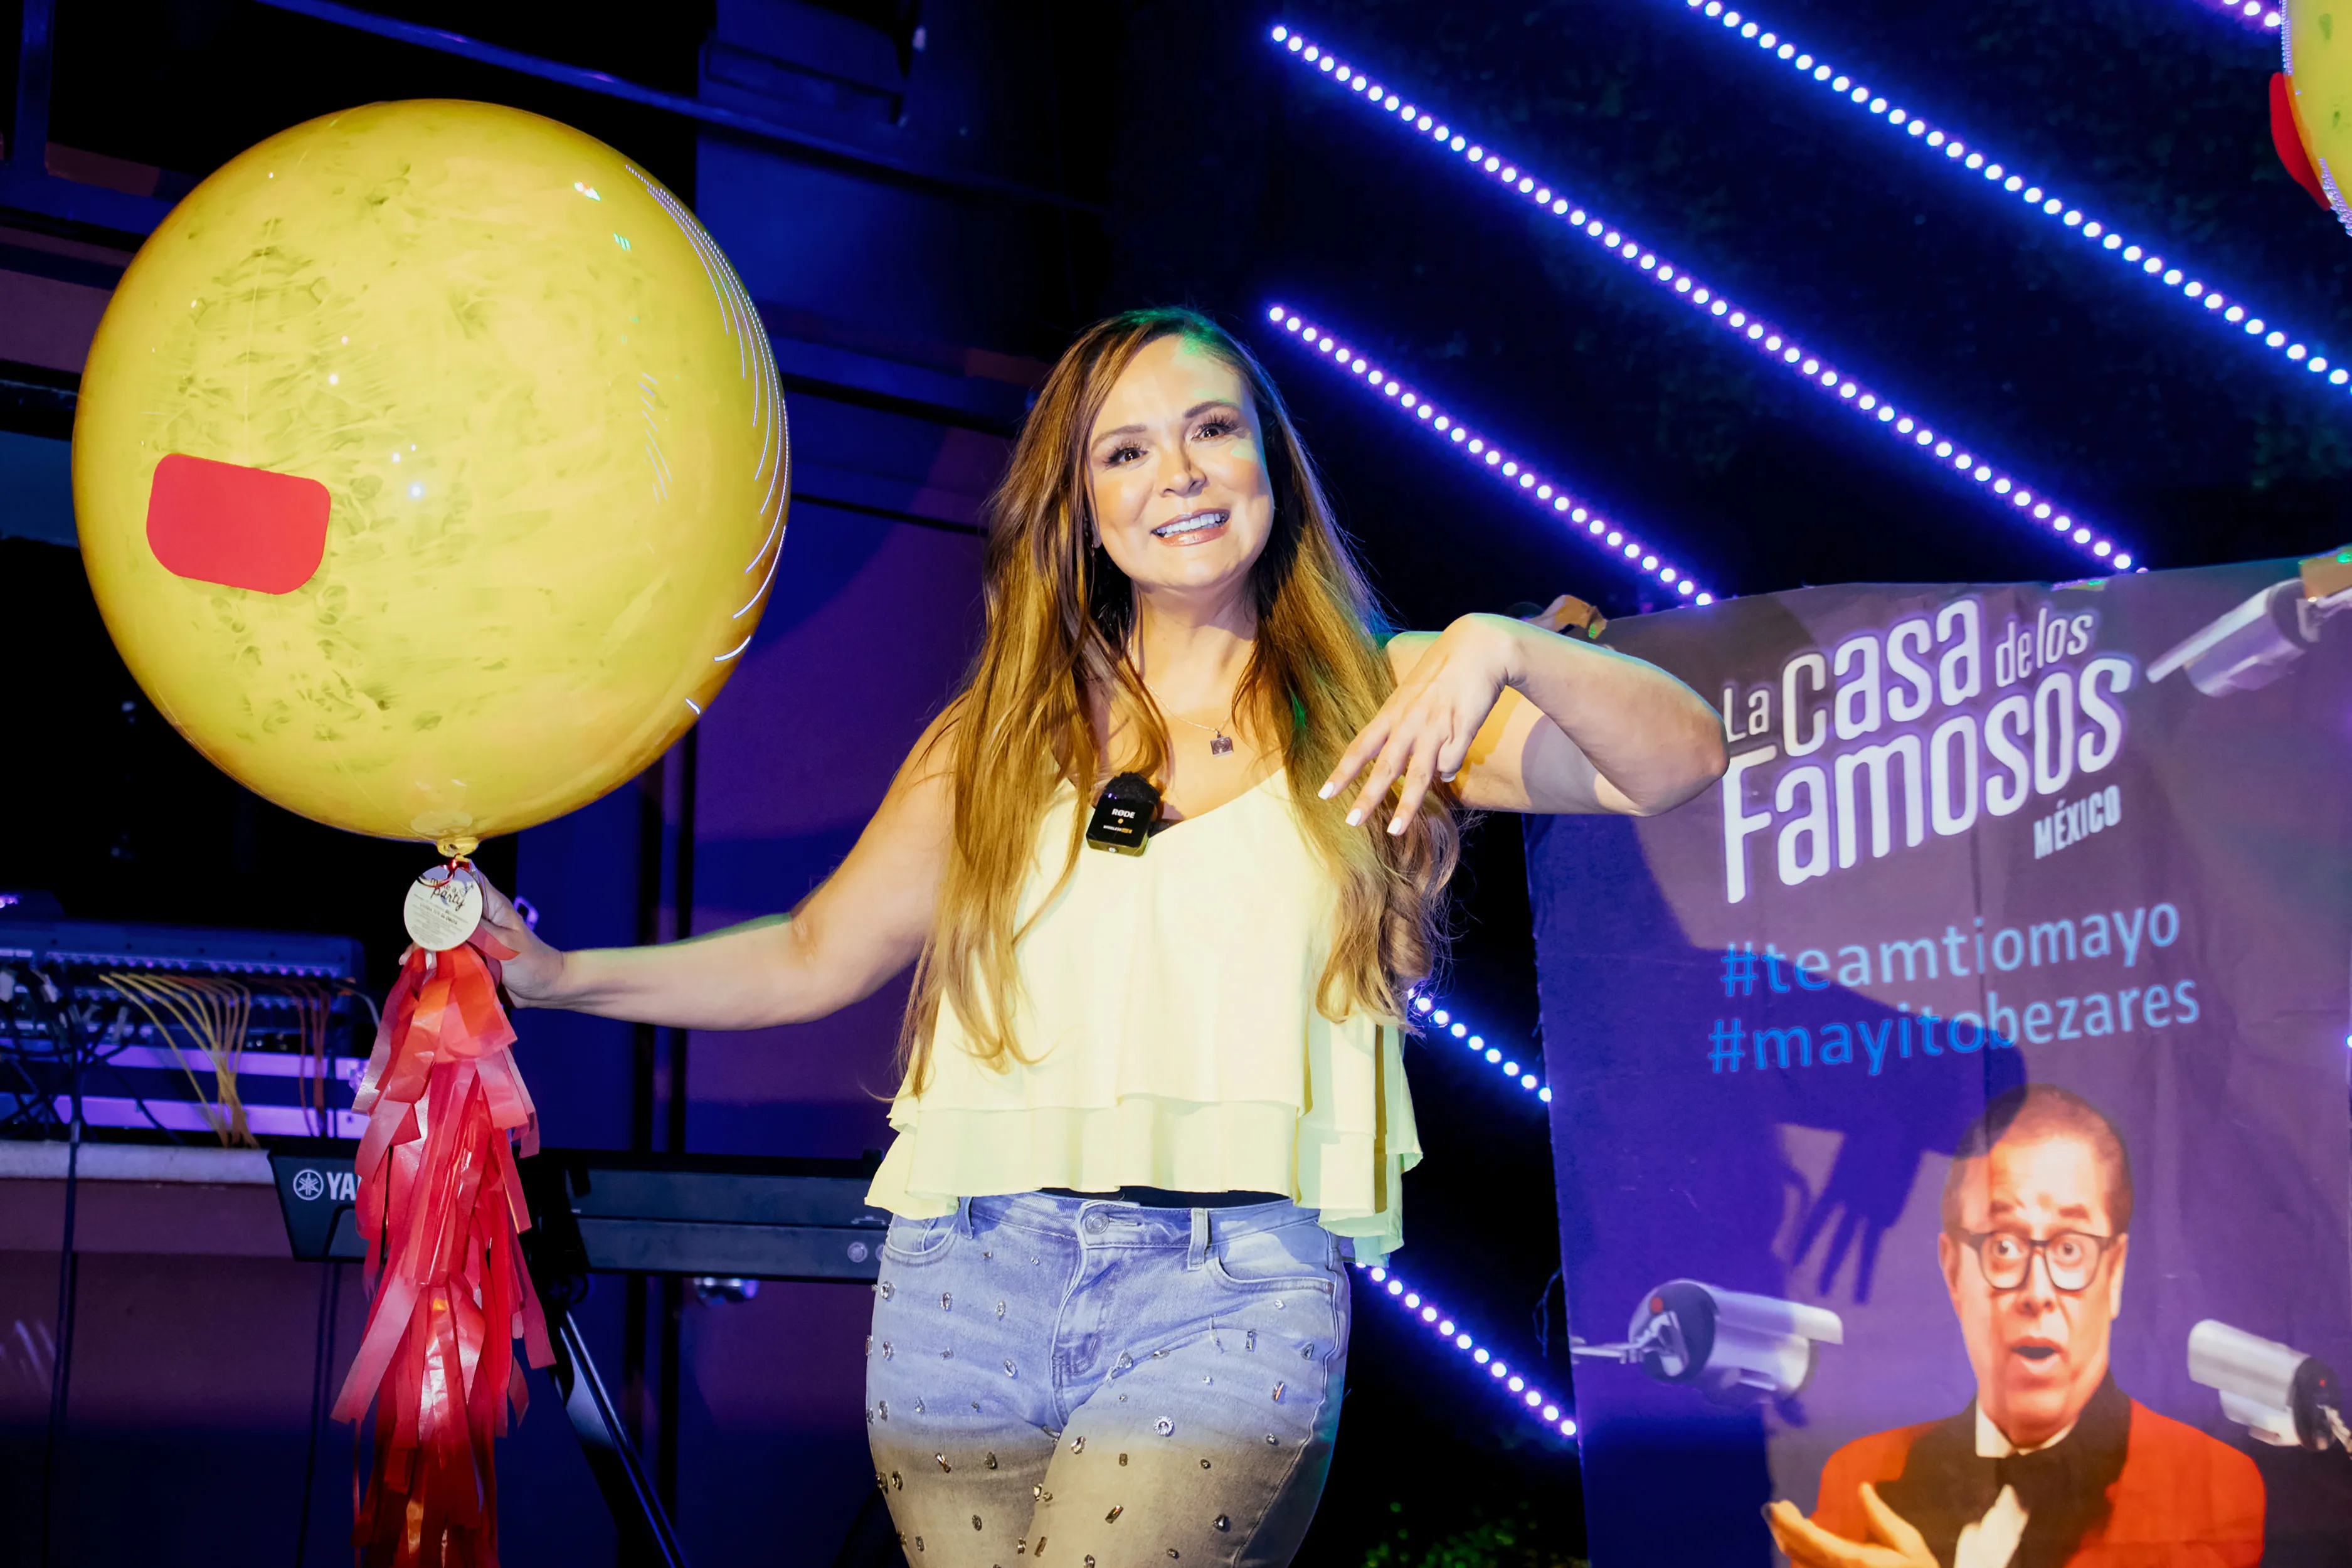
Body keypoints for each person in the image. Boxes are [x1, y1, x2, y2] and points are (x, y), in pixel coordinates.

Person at [473, 306, 1726, 1565]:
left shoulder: (1374, 698)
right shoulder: (997, 736)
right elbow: (815, 951)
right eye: (1123, 452)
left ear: (1270, 468)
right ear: (1079, 503)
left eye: (1210, 430)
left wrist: (1500, 648)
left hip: (1226, 1289)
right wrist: (559, 974)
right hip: (967, 1277)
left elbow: (1678, 759)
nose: (1175, 473)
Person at [1768, 1084, 2265, 1568]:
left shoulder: (2213, 1486)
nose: (2038, 1292)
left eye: (2070, 1248)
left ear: (2114, 1274)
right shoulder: (1860, 1476)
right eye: (2003, 1246)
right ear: (1953, 1272)